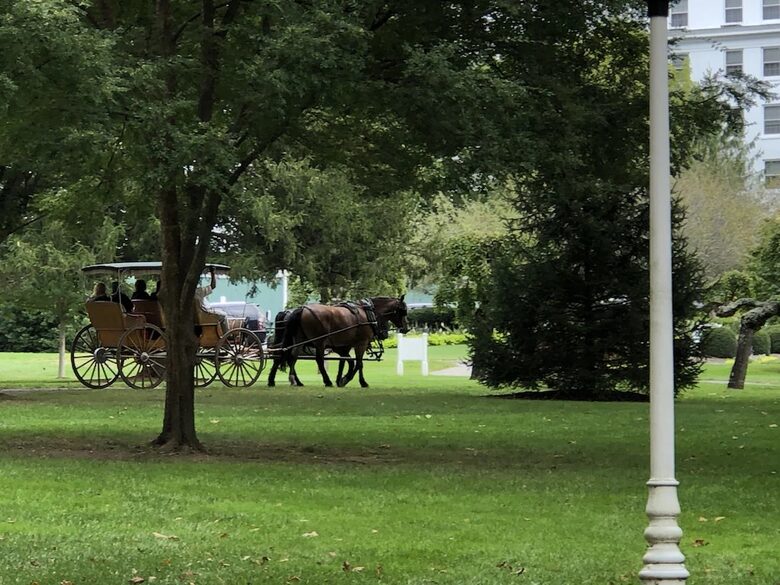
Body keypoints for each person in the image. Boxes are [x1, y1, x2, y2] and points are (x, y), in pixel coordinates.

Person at [195, 267, 228, 333]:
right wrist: (213, 273)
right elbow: (213, 286)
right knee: (223, 315)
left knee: (219, 311)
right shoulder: (198, 291)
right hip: (205, 314)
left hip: (199, 316)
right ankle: (226, 334)